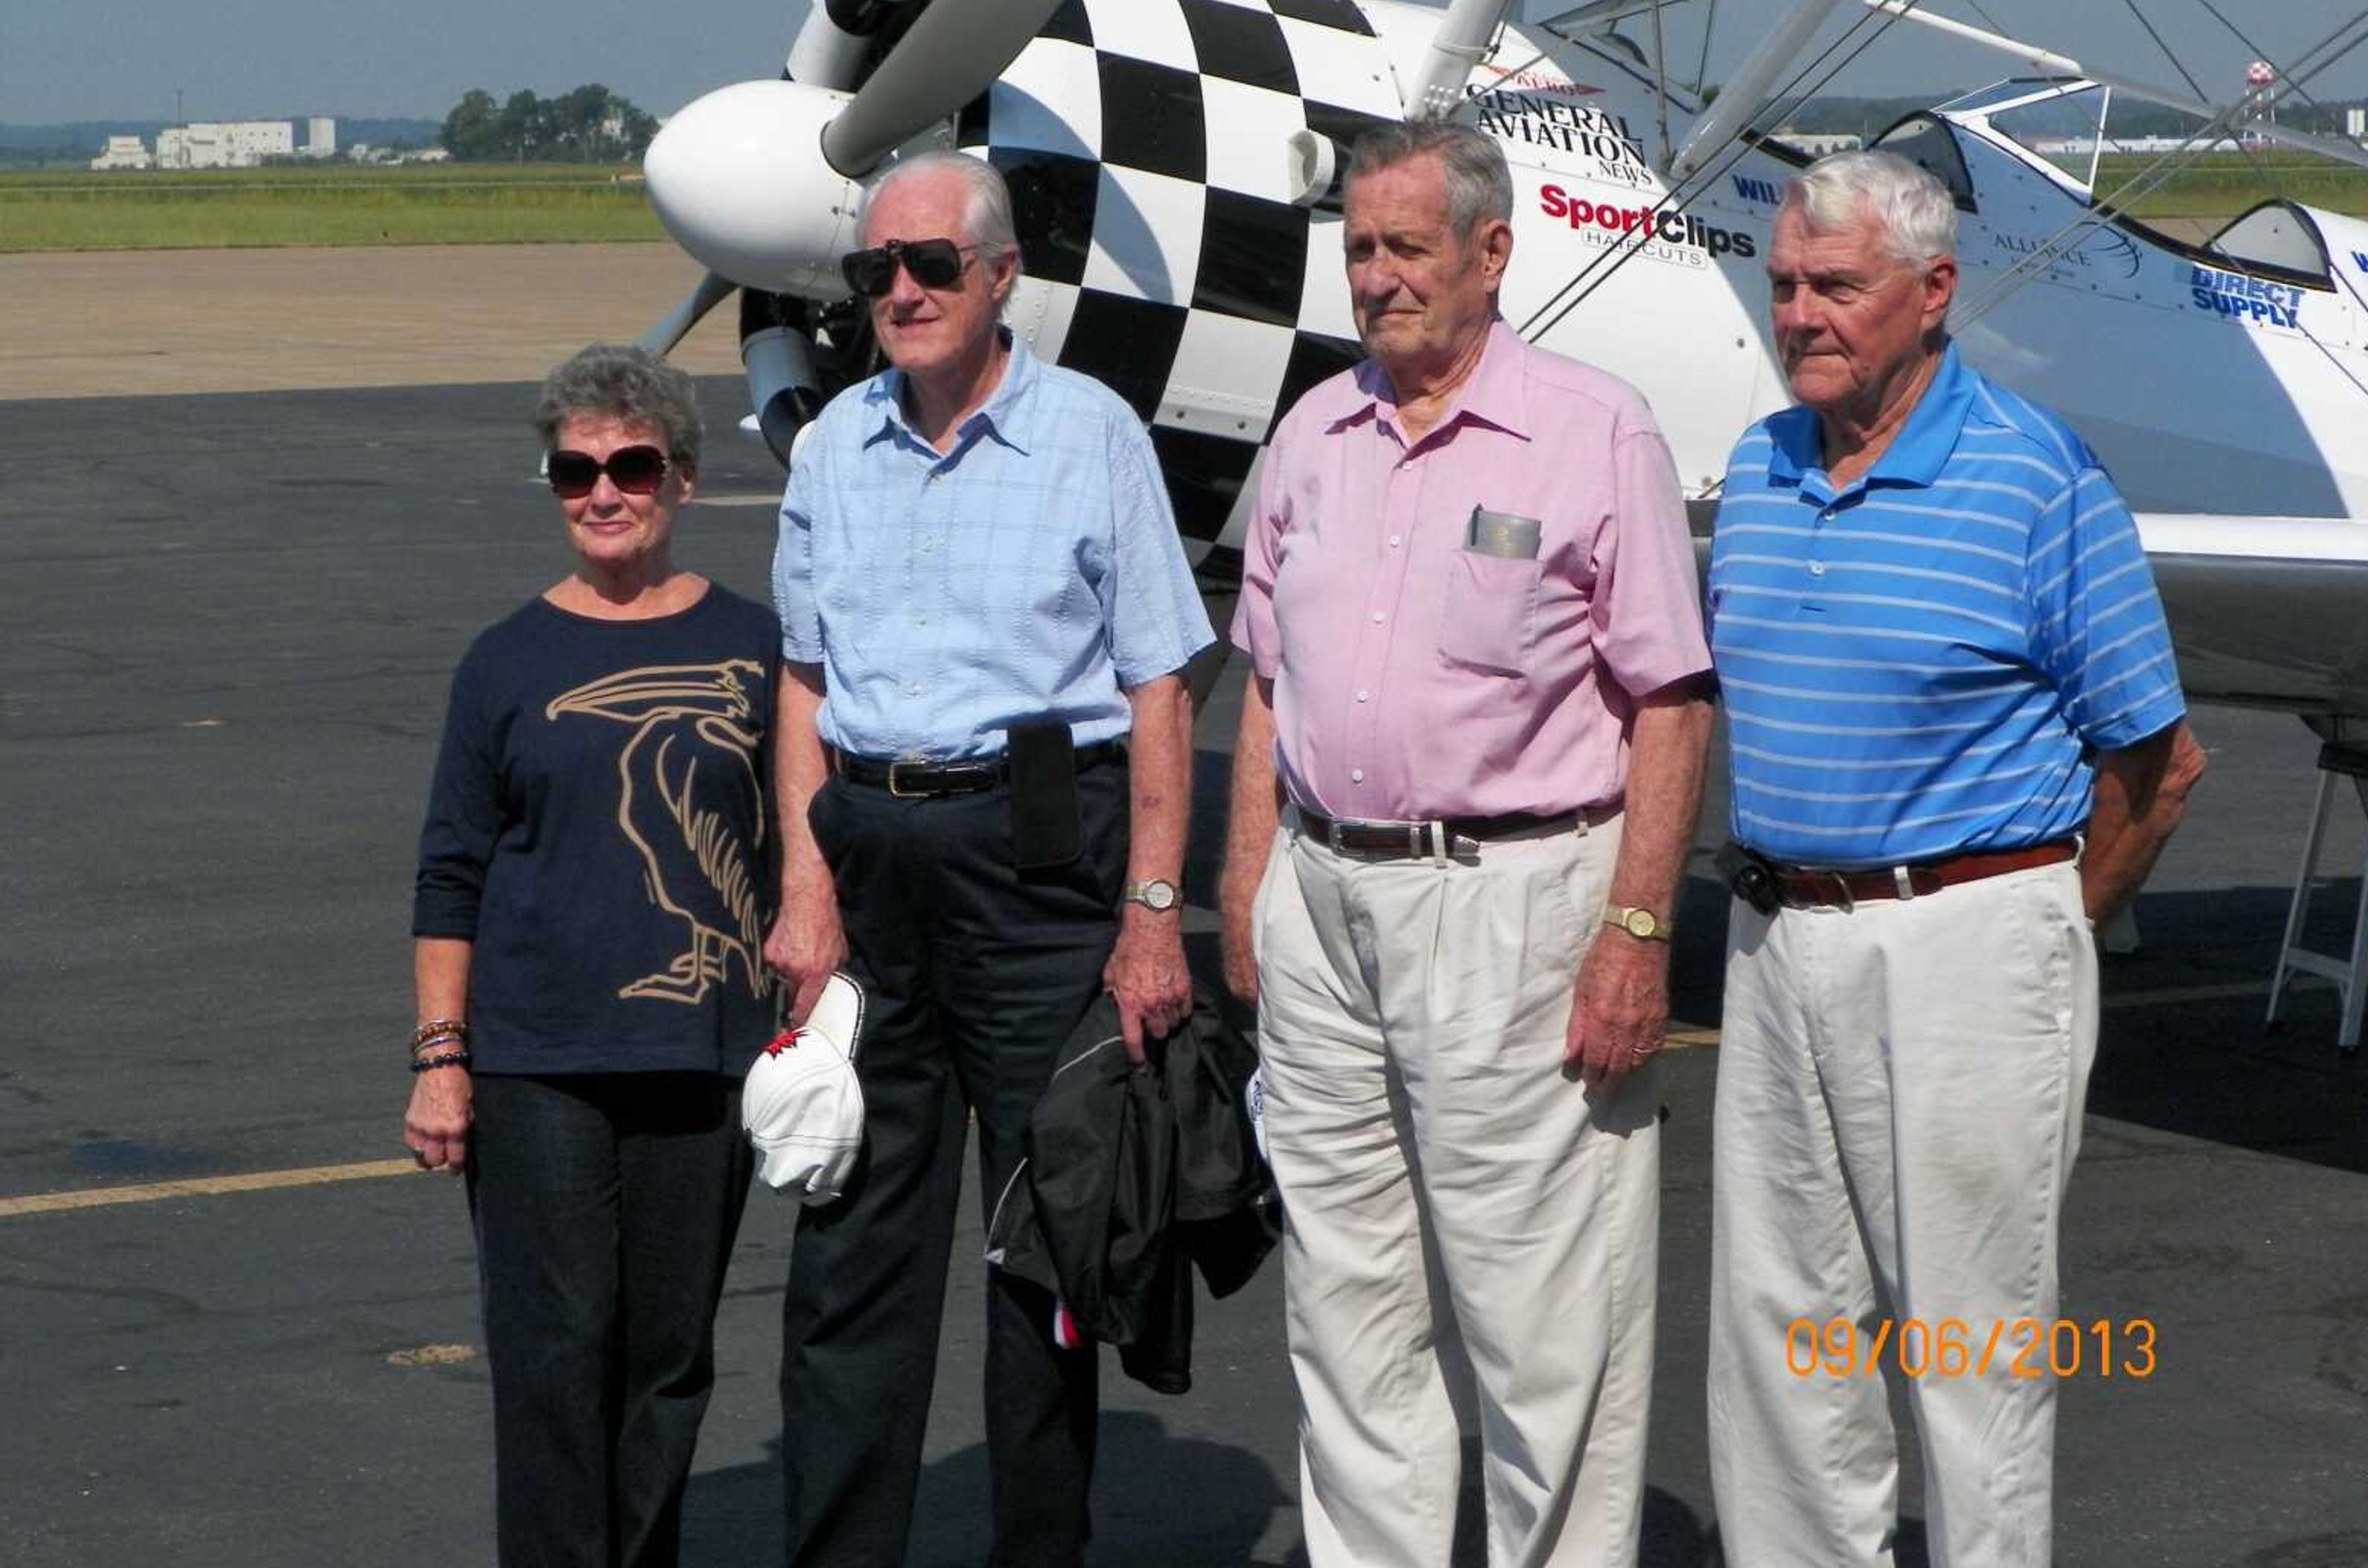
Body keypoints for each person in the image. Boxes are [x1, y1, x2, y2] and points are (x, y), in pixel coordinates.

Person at [1216, 120, 1715, 1566]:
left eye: (1407, 249)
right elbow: (1264, 680)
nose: (1376, 280)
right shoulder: (1313, 432)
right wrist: (1249, 889)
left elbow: (1670, 704)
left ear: (1492, 255)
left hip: (1517, 901)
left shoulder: (1595, 430)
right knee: (1347, 1302)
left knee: (1538, 1315)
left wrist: (1635, 935)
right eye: (1360, 250)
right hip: (1324, 902)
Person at [1704, 150, 2208, 1568]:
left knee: (1972, 1348)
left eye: (1837, 287)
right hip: (1777, 938)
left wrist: (2045, 919)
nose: (1800, 313)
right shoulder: (1756, 468)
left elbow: (2158, 763)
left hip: (1971, 941)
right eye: (1786, 282)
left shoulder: (2036, 476)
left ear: (1933, 295)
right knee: (1786, 1340)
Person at [765, 150, 1213, 1568]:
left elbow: (1160, 686)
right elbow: (800, 682)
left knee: (1046, 1247)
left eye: (931, 266)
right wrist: (804, 886)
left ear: (1002, 274)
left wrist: (1152, 918)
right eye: (874, 272)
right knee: (852, 1253)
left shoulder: (1091, 435)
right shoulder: (834, 446)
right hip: (874, 868)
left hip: (1040, 869)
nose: (899, 291)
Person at [405, 342, 780, 1568]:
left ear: (682, 478)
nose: (603, 492)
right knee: (554, 1352)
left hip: (701, 1049)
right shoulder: (505, 661)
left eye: (631, 465)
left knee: (668, 1360)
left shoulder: (761, 646)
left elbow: (802, 851)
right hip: (537, 1063)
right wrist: (442, 1055)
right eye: (577, 471)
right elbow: (451, 871)